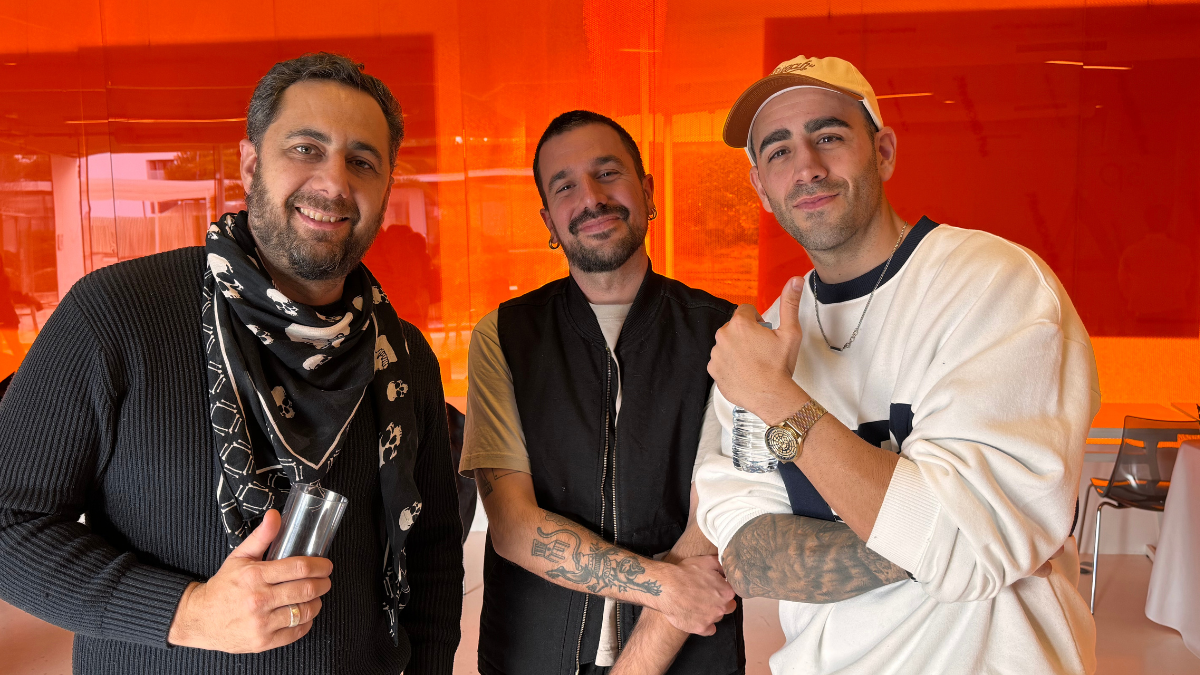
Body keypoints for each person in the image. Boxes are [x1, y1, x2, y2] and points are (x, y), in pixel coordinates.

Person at [0, 52, 462, 674]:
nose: (333, 183)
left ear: (385, 187)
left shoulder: (401, 354)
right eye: (305, 148)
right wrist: (186, 612)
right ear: (250, 162)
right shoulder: (117, 314)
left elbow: (432, 555)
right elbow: (10, 521)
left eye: (362, 161)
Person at [696, 55, 1100, 675]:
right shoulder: (762, 341)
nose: (806, 166)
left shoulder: (994, 287)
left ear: (882, 152)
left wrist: (778, 401)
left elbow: (967, 548)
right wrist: (946, 537)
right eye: (778, 151)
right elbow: (747, 559)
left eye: (829, 136)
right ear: (762, 189)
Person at [460, 110, 743, 675]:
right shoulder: (504, 336)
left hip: (689, 651)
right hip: (531, 650)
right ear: (549, 220)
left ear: (648, 191)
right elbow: (513, 525)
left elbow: (714, 522)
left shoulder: (726, 333)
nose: (590, 198)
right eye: (565, 186)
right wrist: (664, 585)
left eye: (607, 173)